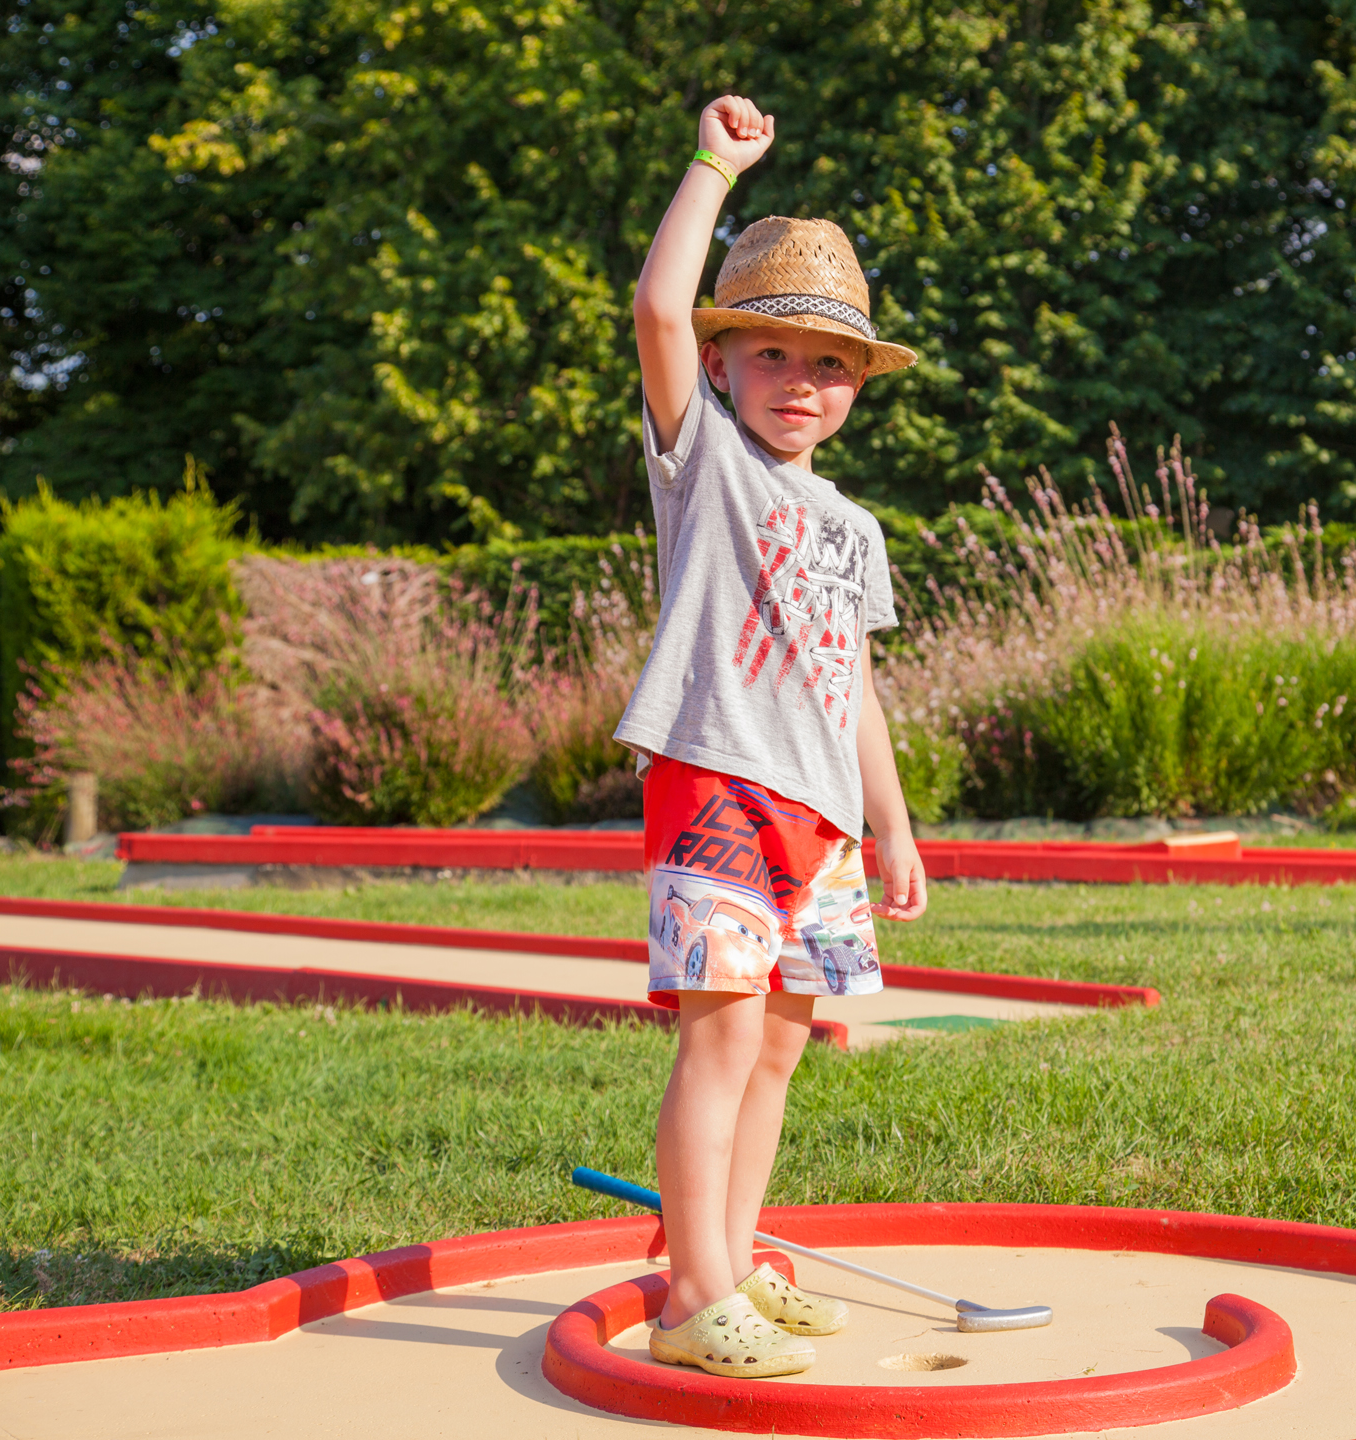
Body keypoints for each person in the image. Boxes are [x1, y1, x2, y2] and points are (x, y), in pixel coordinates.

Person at [615, 91, 928, 1379]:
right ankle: (694, 1299)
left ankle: (738, 1261)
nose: (801, 384)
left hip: (824, 814)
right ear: (730, 364)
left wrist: (894, 829)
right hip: (719, 781)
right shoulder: (707, 464)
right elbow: (653, 310)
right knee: (723, 1032)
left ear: (857, 388)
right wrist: (711, 166)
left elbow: (850, 683)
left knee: (787, 1043)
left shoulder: (851, 528)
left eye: (830, 366)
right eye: (774, 358)